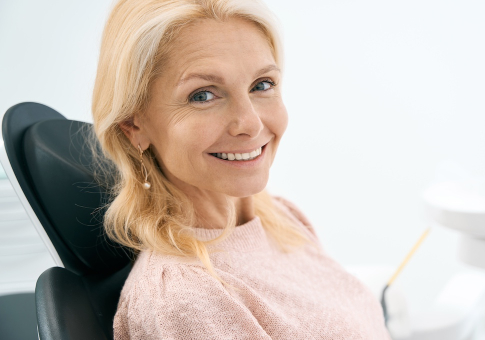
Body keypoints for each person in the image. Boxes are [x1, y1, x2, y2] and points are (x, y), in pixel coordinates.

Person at [91, 0, 390, 338]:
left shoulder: (280, 218)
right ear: (134, 125)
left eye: (262, 85)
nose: (250, 123)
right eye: (203, 95)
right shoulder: (186, 300)